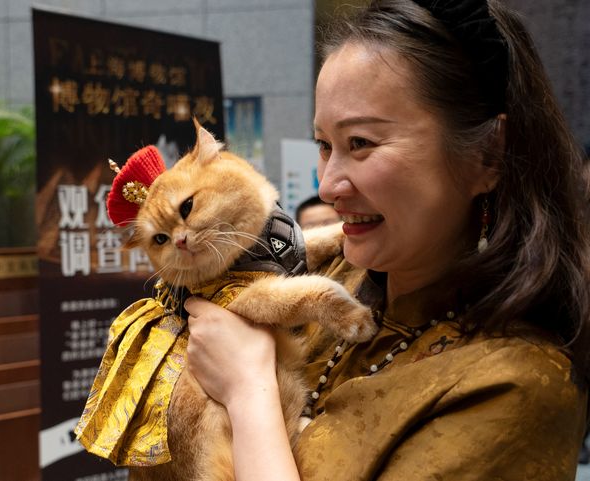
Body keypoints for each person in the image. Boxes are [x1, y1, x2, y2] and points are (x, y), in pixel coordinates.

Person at [184, 0, 590, 480]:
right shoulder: (333, 277)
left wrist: (248, 389)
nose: (329, 186)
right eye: (324, 145)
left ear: (488, 154)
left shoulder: (517, 384)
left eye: (361, 143)